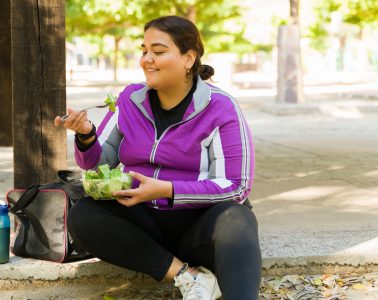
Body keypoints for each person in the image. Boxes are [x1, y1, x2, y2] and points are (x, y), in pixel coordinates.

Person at [55, 15, 261, 300]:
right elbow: (98, 164)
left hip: (198, 225)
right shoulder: (130, 99)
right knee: (83, 216)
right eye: (144, 50)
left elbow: (236, 185)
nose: (146, 59)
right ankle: (187, 277)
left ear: (189, 58)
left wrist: (168, 190)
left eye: (159, 51)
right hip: (144, 224)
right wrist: (86, 134)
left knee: (238, 220)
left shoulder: (221, 108)